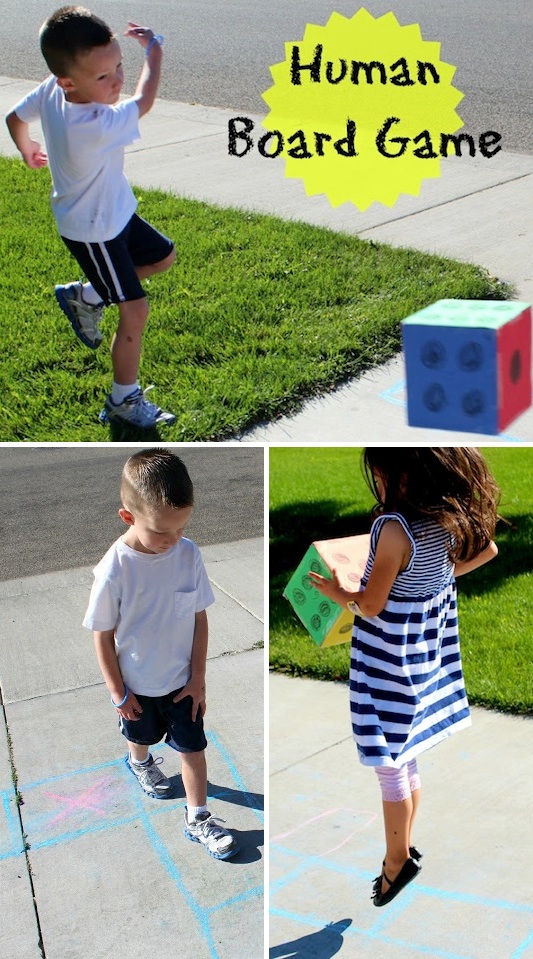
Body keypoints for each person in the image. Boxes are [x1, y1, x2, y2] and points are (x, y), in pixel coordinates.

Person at [309, 447, 499, 907]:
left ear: (401, 475)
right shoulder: (448, 521)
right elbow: (488, 550)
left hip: (385, 669)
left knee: (389, 765)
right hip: (422, 662)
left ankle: (395, 861)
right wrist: (443, 578)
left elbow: (370, 606)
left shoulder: (393, 529)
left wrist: (338, 593)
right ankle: (405, 846)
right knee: (406, 755)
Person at [5, 6, 176, 429]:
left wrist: (26, 148)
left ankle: (88, 296)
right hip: (92, 230)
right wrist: (153, 52)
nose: (116, 80)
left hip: (115, 212)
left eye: (119, 66)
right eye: (103, 77)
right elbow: (146, 100)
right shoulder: (96, 122)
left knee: (164, 256)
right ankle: (123, 399)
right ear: (69, 81)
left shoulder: (50, 90)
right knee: (135, 310)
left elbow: (13, 117)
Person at [83, 447, 239, 860]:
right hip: (136, 684)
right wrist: (118, 694)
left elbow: (199, 620)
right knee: (143, 736)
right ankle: (139, 761)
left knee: (193, 750)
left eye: (181, 528)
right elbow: (102, 637)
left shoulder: (187, 554)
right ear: (128, 517)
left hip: (182, 685)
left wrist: (198, 678)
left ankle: (198, 817)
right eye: (161, 532)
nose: (172, 540)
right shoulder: (114, 570)